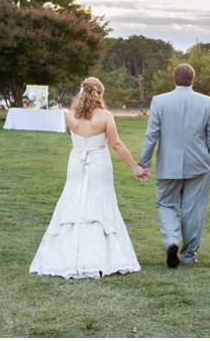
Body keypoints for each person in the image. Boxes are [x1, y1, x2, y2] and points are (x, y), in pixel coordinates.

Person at [29, 77, 148, 279]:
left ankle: (66, 255)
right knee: (99, 201)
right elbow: (116, 144)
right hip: (98, 162)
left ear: (81, 92)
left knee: (74, 199)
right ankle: (99, 257)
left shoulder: (69, 116)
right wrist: (135, 167)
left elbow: (72, 136)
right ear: (100, 94)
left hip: (76, 162)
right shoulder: (105, 116)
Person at [139, 64, 210, 268]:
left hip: (168, 164)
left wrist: (144, 162)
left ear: (174, 79)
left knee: (166, 204)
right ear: (193, 79)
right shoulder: (208, 102)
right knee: (194, 210)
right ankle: (188, 254)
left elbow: (151, 135)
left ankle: (171, 241)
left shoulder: (159, 101)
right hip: (200, 164)